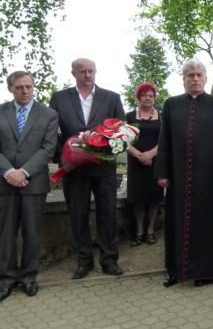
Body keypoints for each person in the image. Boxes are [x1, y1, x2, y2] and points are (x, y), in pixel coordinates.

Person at [155, 59, 213, 287]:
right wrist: (162, 172)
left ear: (206, 79)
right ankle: (175, 271)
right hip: (178, 175)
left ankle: (208, 272)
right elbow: (164, 140)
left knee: (207, 222)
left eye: (199, 75)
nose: (195, 78)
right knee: (176, 222)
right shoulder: (171, 104)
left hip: (209, 175)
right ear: (184, 79)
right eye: (191, 75)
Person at [50, 58, 126, 279]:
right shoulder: (59, 98)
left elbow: (121, 131)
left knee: (108, 214)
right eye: (82, 71)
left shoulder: (111, 98)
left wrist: (105, 150)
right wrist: (62, 157)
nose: (87, 75)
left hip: (103, 167)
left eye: (90, 71)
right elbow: (50, 132)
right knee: (78, 215)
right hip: (73, 169)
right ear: (73, 73)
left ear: (96, 72)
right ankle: (84, 261)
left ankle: (109, 260)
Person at [0, 72, 58, 301]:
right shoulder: (1, 111)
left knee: (32, 232)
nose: (25, 91)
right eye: (19, 87)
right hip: (4, 183)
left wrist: (23, 172)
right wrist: (8, 172)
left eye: (28, 86)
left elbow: (48, 148)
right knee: (5, 233)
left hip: (34, 183)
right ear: (10, 89)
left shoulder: (49, 114)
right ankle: (6, 278)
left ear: (34, 87)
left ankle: (28, 277)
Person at [126, 83, 163, 246]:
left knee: (154, 197)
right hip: (136, 162)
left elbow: (165, 139)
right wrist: (139, 155)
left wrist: (150, 154)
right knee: (138, 198)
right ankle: (139, 231)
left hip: (155, 162)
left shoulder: (161, 117)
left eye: (150, 95)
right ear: (138, 97)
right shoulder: (129, 117)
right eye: (144, 95)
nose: (147, 98)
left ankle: (150, 231)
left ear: (154, 98)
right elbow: (123, 139)